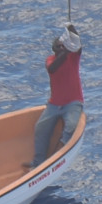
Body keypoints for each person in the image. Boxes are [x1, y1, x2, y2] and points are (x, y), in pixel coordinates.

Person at [25, 23, 84, 168]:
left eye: (61, 44)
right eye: (57, 45)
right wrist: (63, 53)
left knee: (71, 126)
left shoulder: (73, 57)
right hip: (54, 104)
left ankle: (58, 156)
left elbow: (78, 44)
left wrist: (71, 29)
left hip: (73, 103)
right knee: (40, 128)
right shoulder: (51, 60)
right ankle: (38, 163)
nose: (59, 46)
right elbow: (53, 69)